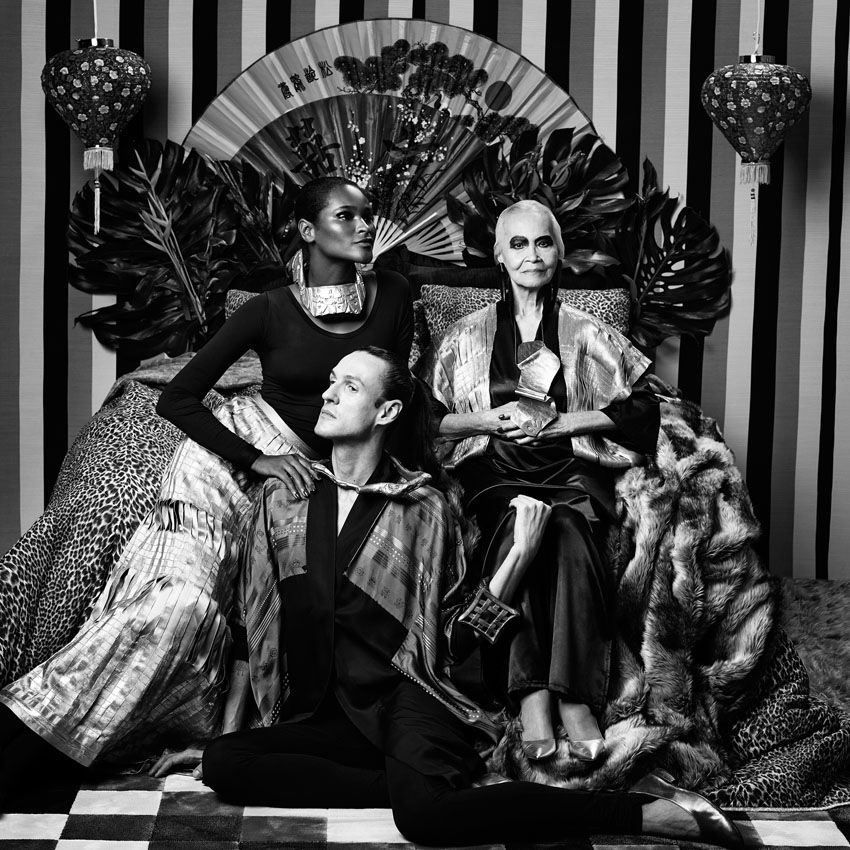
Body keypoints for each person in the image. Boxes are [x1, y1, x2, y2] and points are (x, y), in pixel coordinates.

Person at [156, 346, 739, 848]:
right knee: (225, 762)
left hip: (408, 696)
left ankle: (639, 814)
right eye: (331, 381)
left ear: (386, 412)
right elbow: (252, 620)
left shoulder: (423, 508)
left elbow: (455, 638)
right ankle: (426, 782)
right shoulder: (283, 499)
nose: (328, 394)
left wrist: (518, 557)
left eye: (349, 386)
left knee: (425, 820)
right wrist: (232, 727)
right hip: (327, 715)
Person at [0, 176, 413, 793]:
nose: (364, 226)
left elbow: (398, 396)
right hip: (222, 466)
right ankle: (22, 755)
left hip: (307, 468)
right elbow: (178, 399)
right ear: (307, 231)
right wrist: (256, 458)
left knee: (192, 623)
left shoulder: (394, 294)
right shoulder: (268, 308)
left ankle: (50, 759)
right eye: (346, 216)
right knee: (173, 608)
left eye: (367, 214)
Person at [424, 199, 660, 764]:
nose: (532, 255)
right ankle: (531, 694)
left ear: (559, 251)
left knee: (568, 532)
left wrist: (566, 422)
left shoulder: (587, 329)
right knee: (518, 532)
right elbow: (427, 422)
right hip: (494, 472)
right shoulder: (465, 334)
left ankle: (572, 696)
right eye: (519, 244)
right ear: (499, 256)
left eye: (543, 242)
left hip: (569, 469)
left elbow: (642, 412)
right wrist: (484, 420)